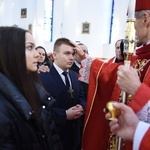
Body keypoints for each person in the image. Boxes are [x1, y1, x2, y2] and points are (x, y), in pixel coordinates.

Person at [73, 0, 150, 149]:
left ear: (145, 19)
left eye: (131, 23)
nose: (131, 30)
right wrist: (87, 60)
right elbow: (112, 73)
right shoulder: (140, 56)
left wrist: (136, 88)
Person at [0, 26, 62, 150]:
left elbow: (51, 135)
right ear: (9, 51)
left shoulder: (33, 86)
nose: (37, 54)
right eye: (29, 47)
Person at [39, 38, 86, 150]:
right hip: (55, 138)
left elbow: (82, 96)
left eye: (73, 54)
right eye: (67, 53)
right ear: (55, 55)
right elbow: (41, 109)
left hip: (75, 137)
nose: (71, 57)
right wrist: (64, 114)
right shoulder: (43, 77)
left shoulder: (76, 75)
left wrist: (82, 106)